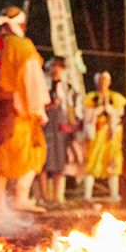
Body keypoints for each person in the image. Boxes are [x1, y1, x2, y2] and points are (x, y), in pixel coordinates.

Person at [0, 6, 49, 212]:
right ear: (20, 25)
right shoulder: (22, 47)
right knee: (33, 152)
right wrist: (38, 109)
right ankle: (20, 198)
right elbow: (31, 79)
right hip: (16, 113)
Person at [83, 71, 126, 203]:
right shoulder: (91, 97)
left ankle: (114, 194)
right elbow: (86, 115)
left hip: (111, 135)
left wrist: (108, 109)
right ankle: (87, 195)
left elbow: (119, 114)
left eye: (105, 80)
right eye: (101, 80)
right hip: (96, 135)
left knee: (113, 161)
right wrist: (97, 111)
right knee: (92, 161)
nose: (103, 83)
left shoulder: (115, 97)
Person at [40, 56, 73, 207]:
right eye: (55, 66)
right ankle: (44, 197)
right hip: (45, 123)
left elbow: (70, 108)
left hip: (60, 126)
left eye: (59, 67)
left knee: (60, 161)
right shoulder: (42, 84)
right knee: (44, 162)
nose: (56, 69)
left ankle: (57, 197)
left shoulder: (67, 87)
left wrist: (71, 125)